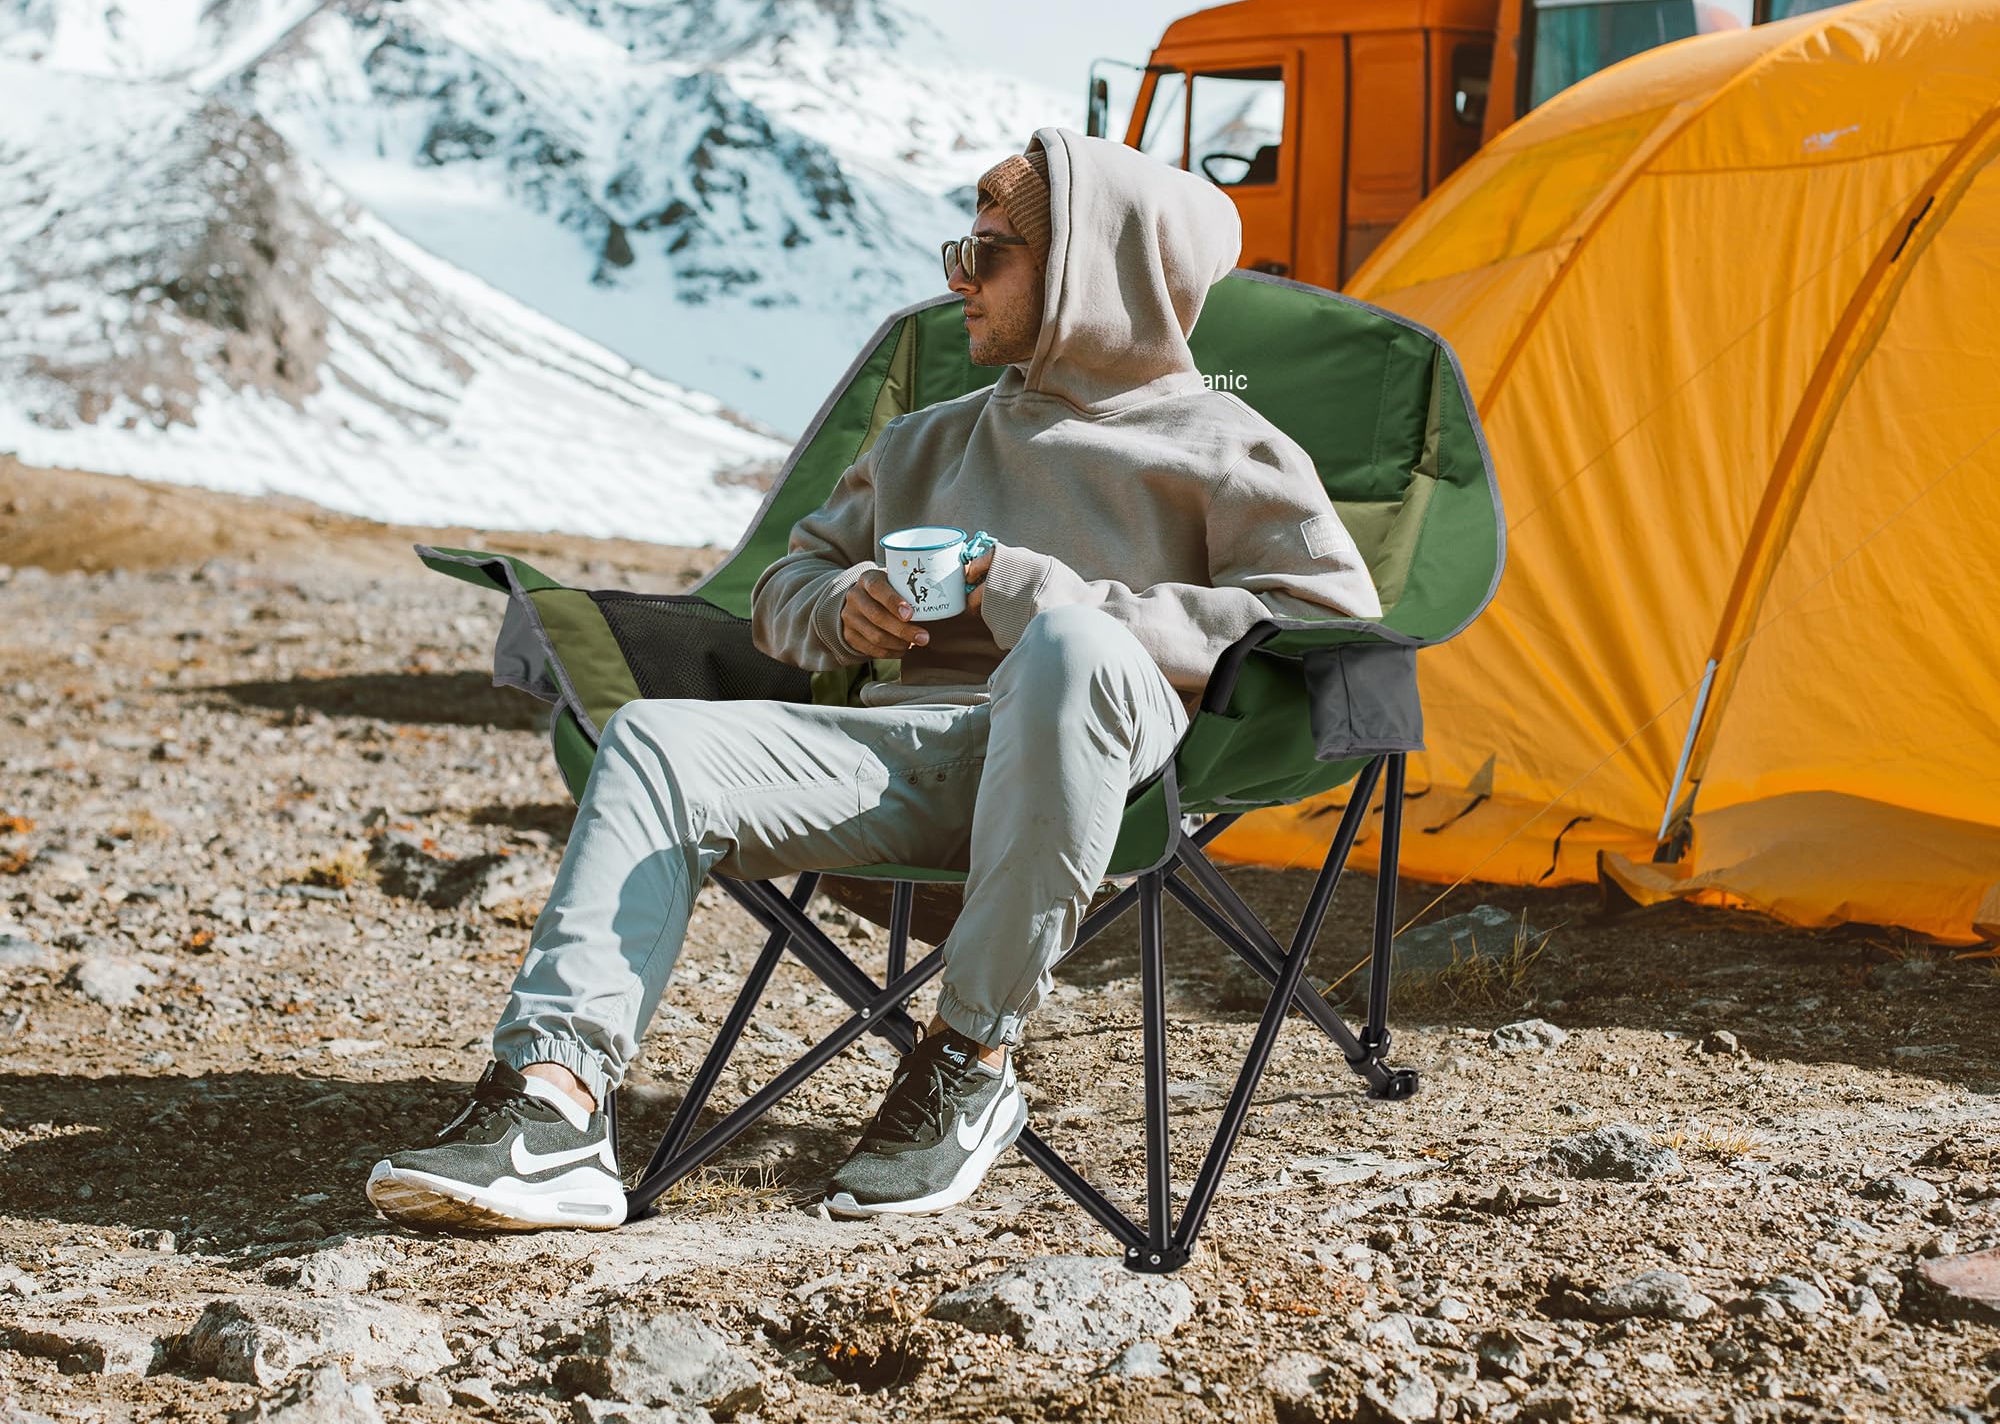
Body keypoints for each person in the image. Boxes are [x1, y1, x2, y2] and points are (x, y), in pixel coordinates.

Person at [365, 127, 1382, 1233]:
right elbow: (782, 581)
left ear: (1089, 269)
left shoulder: (1228, 447)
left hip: (1100, 765)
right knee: (658, 740)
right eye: (960, 247)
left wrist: (1029, 587)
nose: (956, 278)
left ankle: (969, 1059)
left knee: (1067, 648)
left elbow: (1326, 616)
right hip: (913, 755)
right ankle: (553, 1106)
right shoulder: (929, 438)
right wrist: (838, 607)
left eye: (988, 252)